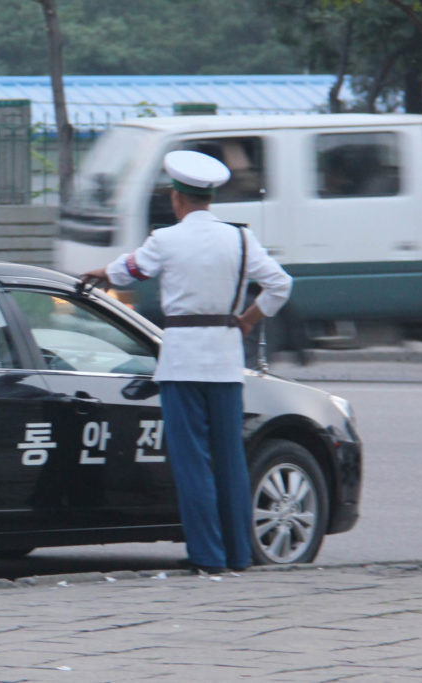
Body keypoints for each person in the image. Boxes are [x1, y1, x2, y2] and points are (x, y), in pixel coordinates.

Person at [80, 150, 292, 574]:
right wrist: (247, 321)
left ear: (177, 198)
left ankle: (207, 555)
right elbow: (280, 285)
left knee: (193, 461)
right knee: (230, 458)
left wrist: (100, 271)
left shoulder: (166, 239)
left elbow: (128, 271)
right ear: (209, 198)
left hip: (181, 364)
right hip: (226, 362)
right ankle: (237, 554)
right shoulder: (239, 238)